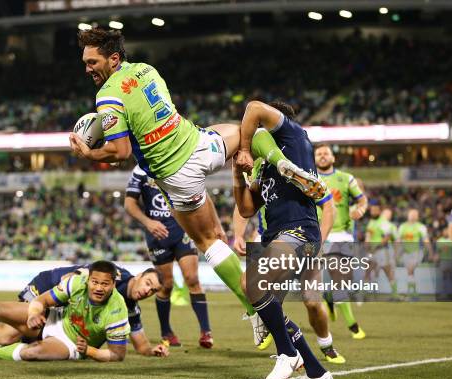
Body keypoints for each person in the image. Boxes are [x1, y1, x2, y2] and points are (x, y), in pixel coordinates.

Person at [68, 28, 324, 348]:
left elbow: (119, 153)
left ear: (114, 58)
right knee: (244, 130)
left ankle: (257, 311)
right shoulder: (148, 69)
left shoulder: (107, 97)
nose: (88, 68)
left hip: (177, 174)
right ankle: (274, 158)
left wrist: (88, 152)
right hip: (198, 143)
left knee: (210, 240)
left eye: (92, 62)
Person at [233, 100, 334, 379]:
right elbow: (246, 209)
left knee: (251, 283)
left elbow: (253, 107)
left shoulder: (294, 136)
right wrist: (237, 171)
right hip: (275, 235)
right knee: (270, 308)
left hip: (300, 231)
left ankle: (287, 354)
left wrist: (242, 146)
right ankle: (316, 370)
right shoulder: (262, 166)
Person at [0, 263, 168, 358]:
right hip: (49, 288)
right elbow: (69, 279)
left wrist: (151, 349)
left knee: (6, 336)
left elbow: (130, 349)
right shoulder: (106, 274)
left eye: (153, 290)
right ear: (138, 276)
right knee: (6, 324)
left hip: (68, 324)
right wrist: (37, 311)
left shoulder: (127, 310)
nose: (148, 290)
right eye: (148, 283)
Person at [125, 165, 213, 348]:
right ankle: (166, 331)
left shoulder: (178, 162)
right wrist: (149, 223)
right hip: (157, 235)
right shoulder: (140, 171)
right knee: (165, 285)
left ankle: (206, 332)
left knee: (192, 279)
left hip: (183, 230)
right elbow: (129, 204)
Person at [314, 143, 368, 340]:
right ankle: (352, 325)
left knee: (342, 280)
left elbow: (362, 200)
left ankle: (331, 300)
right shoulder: (309, 179)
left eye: (326, 153)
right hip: (318, 235)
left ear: (333, 158)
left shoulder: (347, 179)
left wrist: (359, 211)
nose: (322, 156)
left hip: (342, 236)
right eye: (318, 154)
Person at [396, 209, 435, 299]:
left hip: (416, 252)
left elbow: (426, 240)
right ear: (408, 215)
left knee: (410, 270)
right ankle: (414, 293)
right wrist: (396, 253)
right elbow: (398, 240)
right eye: (411, 214)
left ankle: (410, 293)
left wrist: (431, 252)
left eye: (415, 215)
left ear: (417, 217)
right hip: (405, 253)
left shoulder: (421, 227)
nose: (413, 216)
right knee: (410, 272)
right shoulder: (403, 226)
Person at [365, 204, 398, 300]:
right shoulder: (371, 222)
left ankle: (395, 294)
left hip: (381, 251)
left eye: (375, 210)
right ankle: (365, 294)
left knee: (387, 271)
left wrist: (376, 247)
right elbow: (368, 235)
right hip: (371, 251)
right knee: (367, 271)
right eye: (372, 210)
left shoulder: (384, 223)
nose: (373, 212)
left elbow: (387, 237)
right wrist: (367, 245)